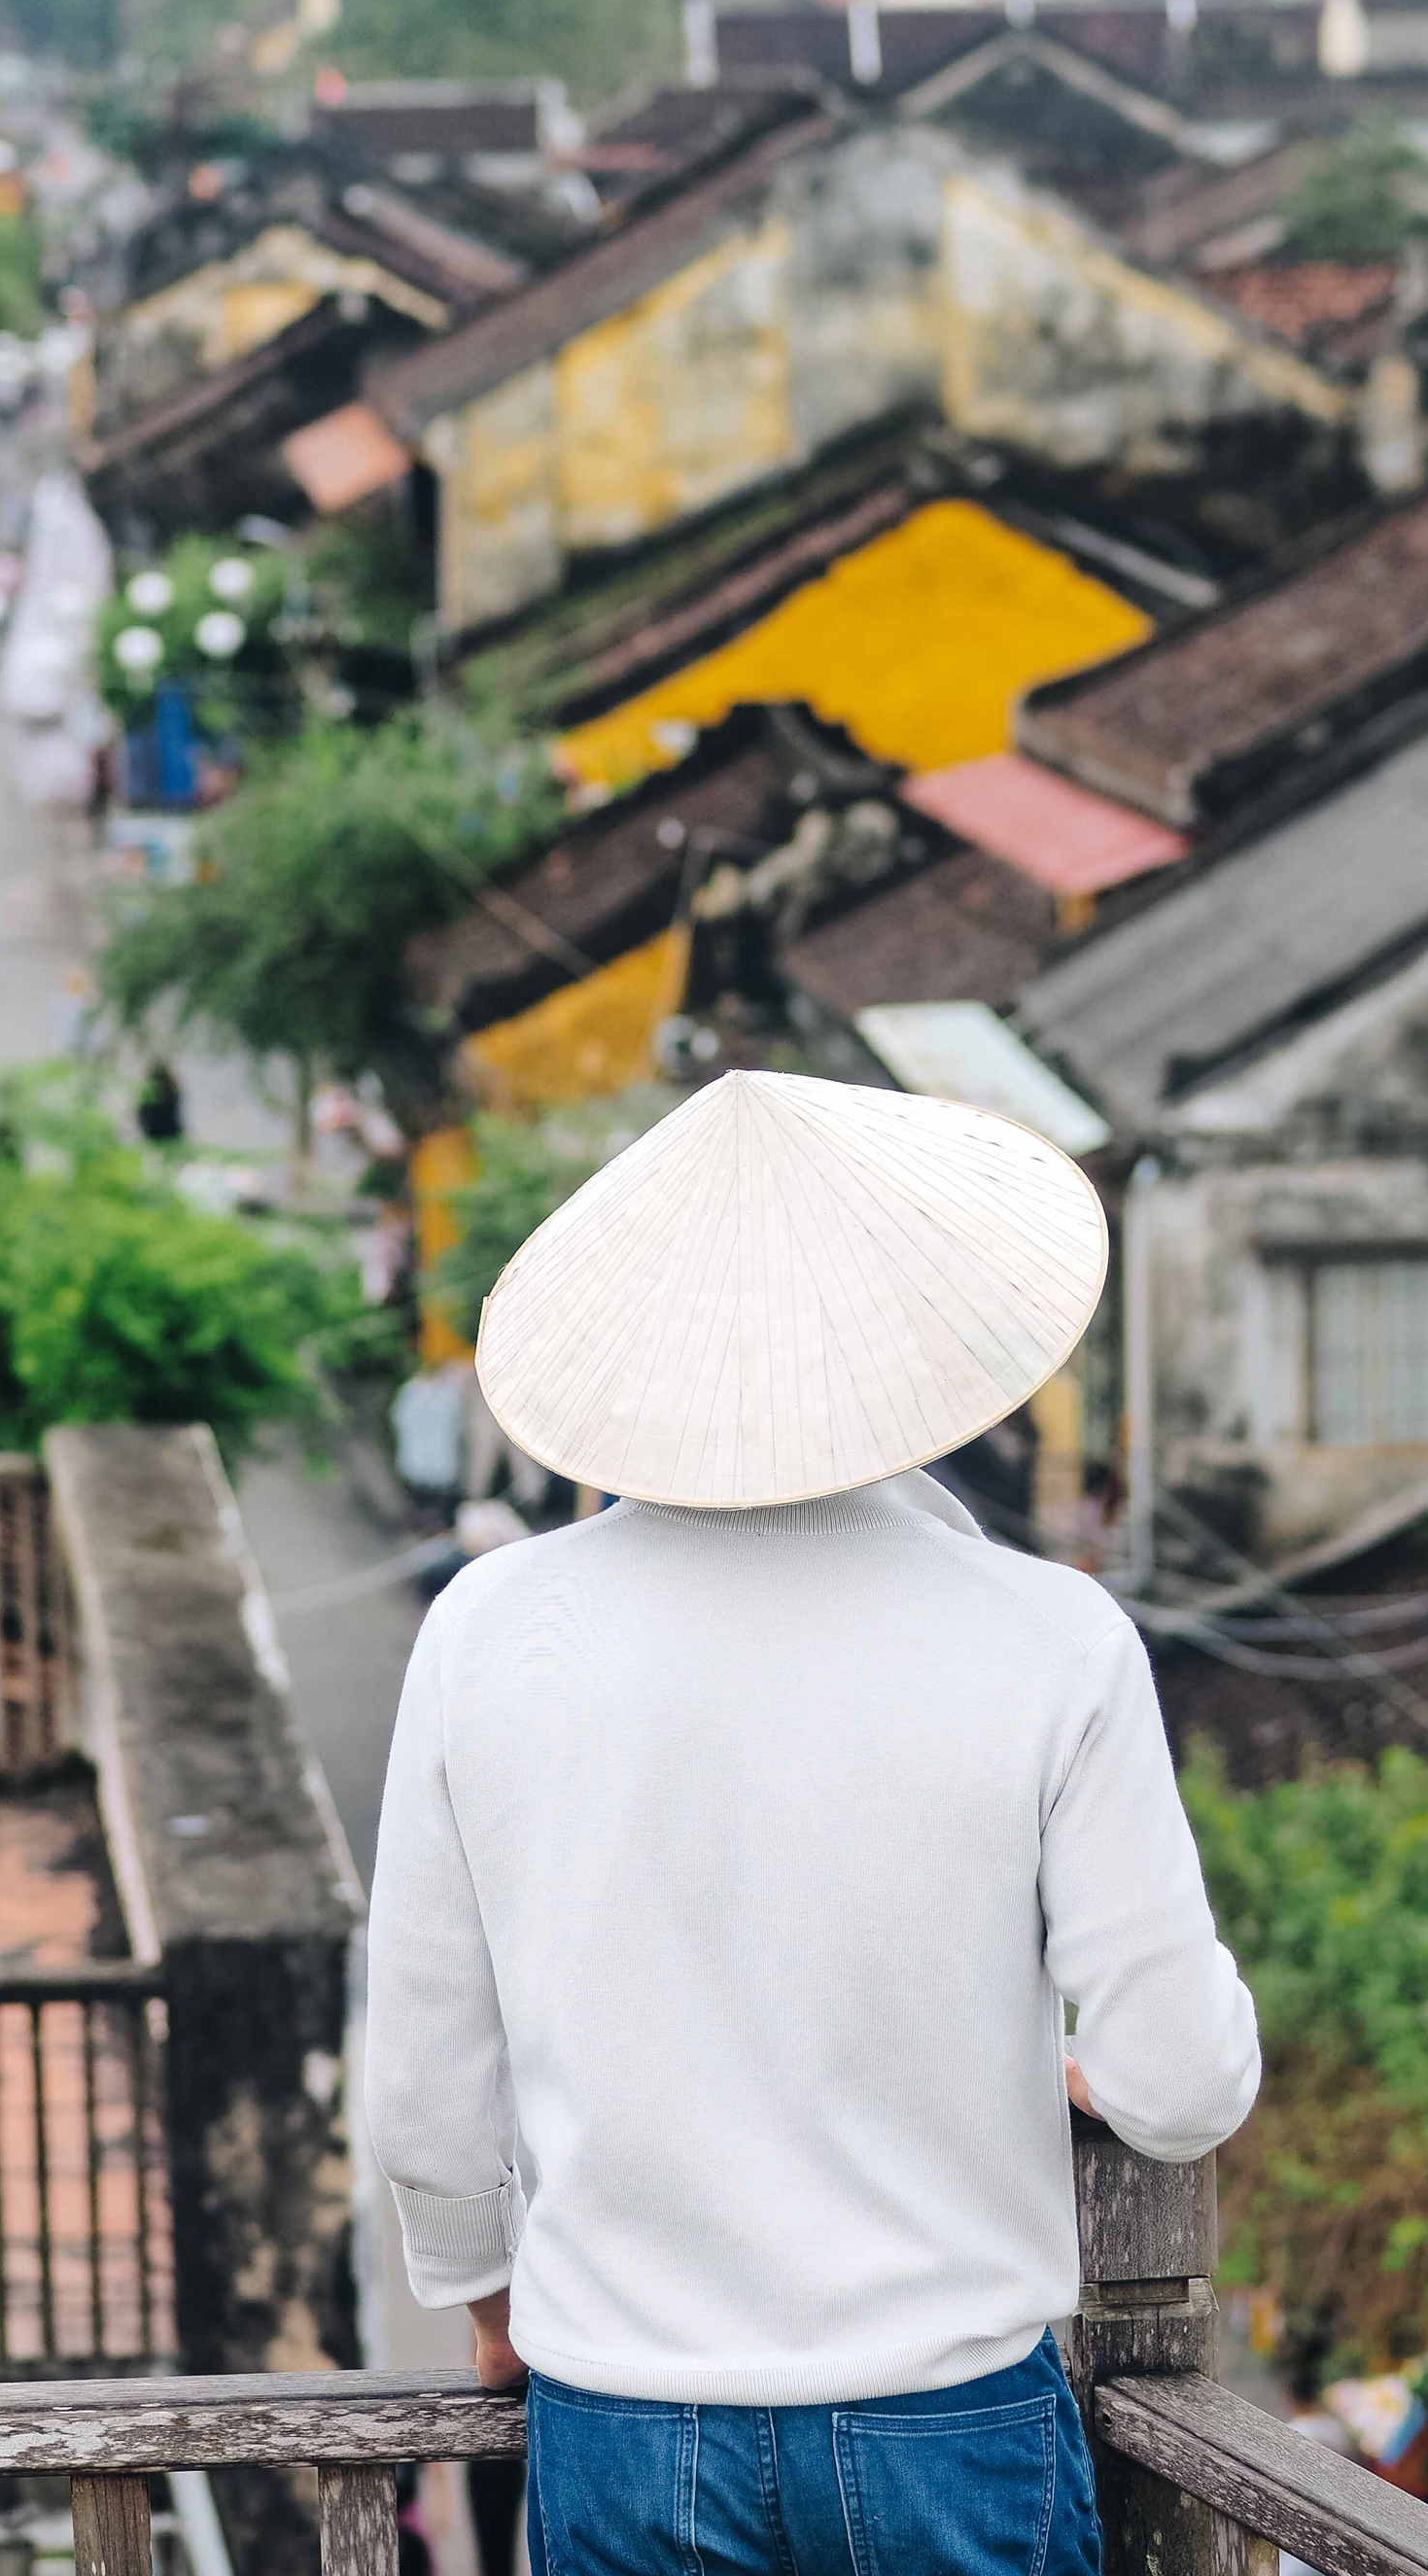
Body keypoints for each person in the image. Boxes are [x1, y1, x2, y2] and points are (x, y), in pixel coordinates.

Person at [366, 1071, 1260, 2576]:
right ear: (907, 1345)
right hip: (953, 2420)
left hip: (624, 2414)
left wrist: (484, 2294)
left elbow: (427, 2087)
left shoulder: (490, 1627)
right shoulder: (1051, 1636)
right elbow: (1178, 2081)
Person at [135, 1060, 184, 1145]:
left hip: (156, 1132)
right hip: (169, 1132)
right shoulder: (172, 1089)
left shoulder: (149, 1090)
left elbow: (141, 1114)